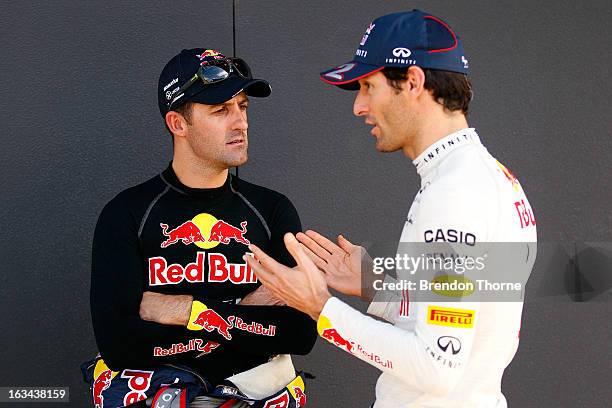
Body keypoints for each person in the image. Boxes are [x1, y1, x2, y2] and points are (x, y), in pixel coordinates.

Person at [243, 10, 537, 408]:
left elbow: (437, 366)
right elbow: (464, 315)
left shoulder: (455, 193)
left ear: (413, 82)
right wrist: (376, 287)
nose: (359, 107)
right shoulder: (488, 177)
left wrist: (319, 306)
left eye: (367, 86)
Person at [86, 48, 316, 408]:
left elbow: (299, 333)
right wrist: (245, 310)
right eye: (220, 110)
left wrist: (186, 310)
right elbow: (119, 345)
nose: (240, 122)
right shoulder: (127, 213)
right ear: (178, 123)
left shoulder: (271, 210)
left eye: (242, 107)